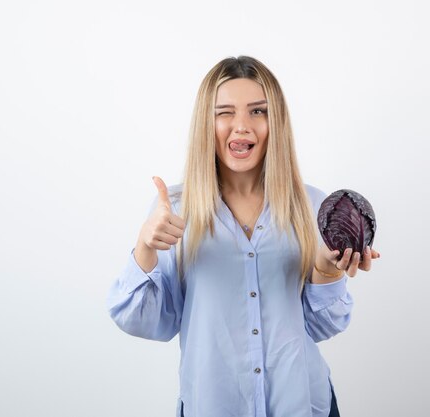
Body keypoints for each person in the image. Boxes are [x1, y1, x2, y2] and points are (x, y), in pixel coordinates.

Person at [106, 56, 380, 417]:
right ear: (207, 122)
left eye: (257, 112)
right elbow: (146, 322)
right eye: (225, 113)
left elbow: (319, 326)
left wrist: (326, 272)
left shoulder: (313, 205)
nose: (241, 127)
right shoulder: (174, 210)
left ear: (275, 122)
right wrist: (145, 247)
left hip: (303, 404)